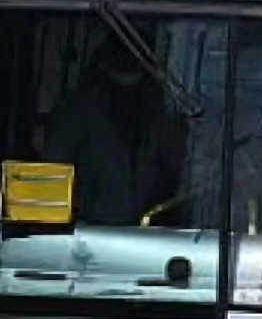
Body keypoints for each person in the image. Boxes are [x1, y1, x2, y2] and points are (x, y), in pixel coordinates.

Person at [42, 37, 186, 226]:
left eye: (136, 81)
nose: (128, 97)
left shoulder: (162, 116)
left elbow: (179, 173)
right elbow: (53, 174)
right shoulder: (78, 114)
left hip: (150, 238)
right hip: (86, 238)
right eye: (118, 81)